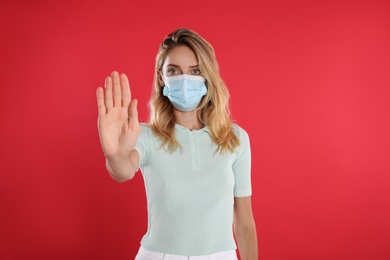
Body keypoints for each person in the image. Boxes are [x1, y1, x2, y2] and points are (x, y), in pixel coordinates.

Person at [96, 28, 258, 260]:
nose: (184, 80)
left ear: (207, 76)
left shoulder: (236, 138)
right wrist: (113, 154)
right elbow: (122, 171)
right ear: (162, 78)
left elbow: (244, 222)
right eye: (174, 71)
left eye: (195, 71)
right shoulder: (145, 135)